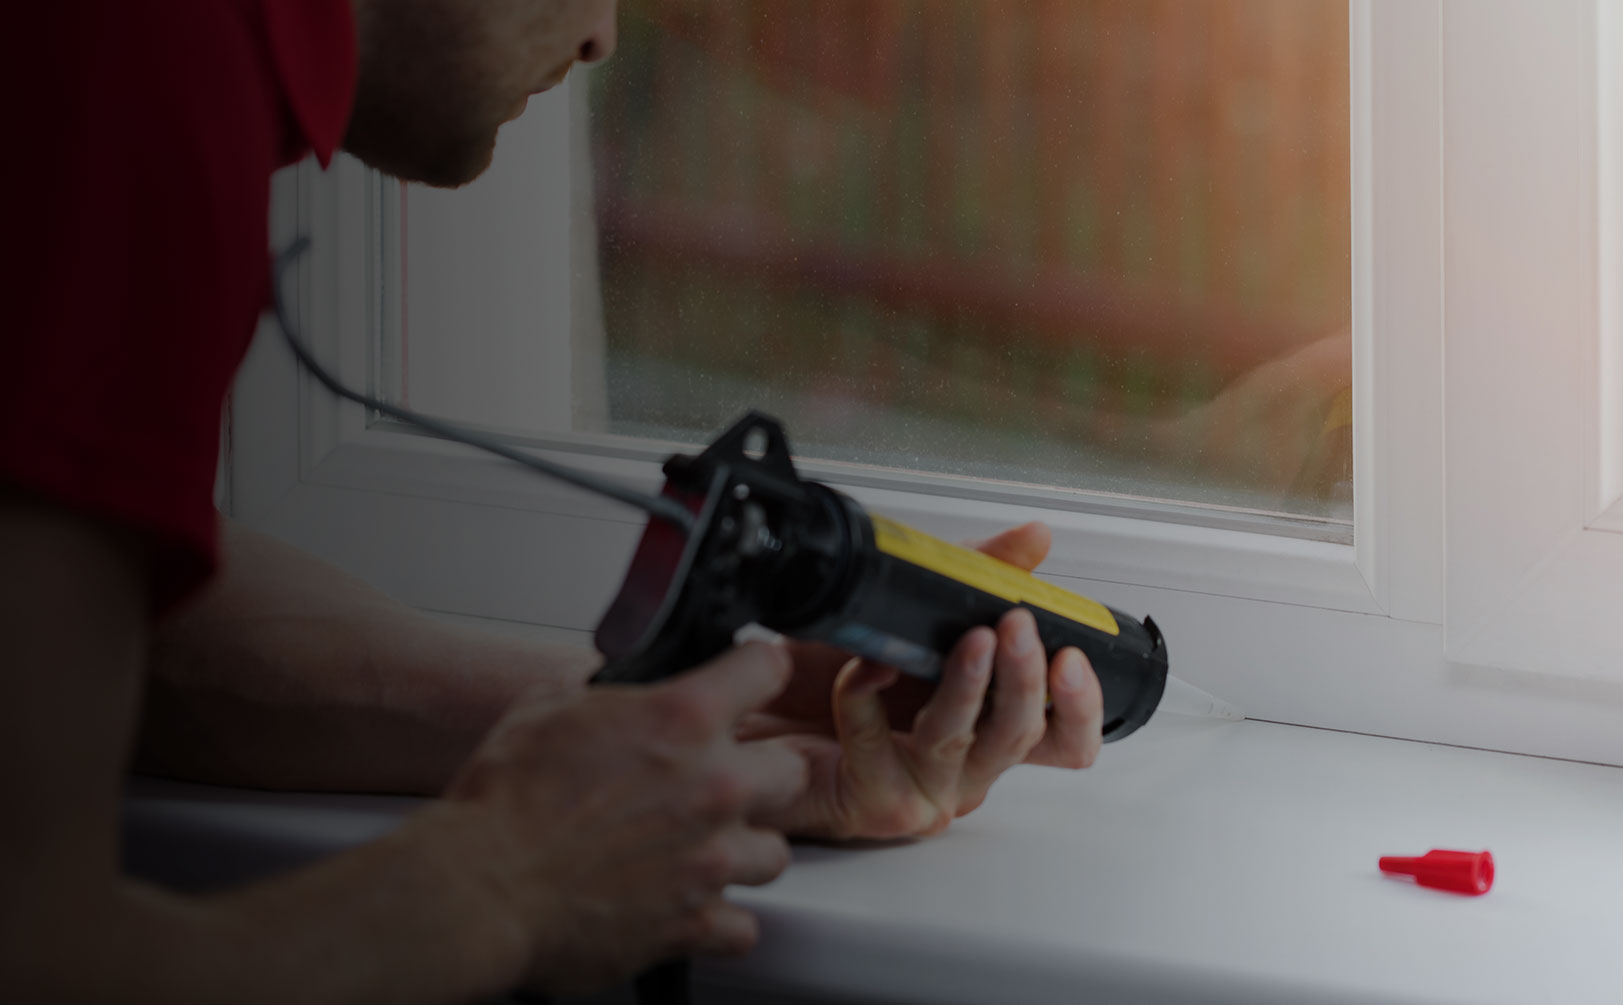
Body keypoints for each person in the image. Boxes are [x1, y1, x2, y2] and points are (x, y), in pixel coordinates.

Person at [0, 0, 1104, 999]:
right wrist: (502, 887)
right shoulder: (138, 64)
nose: (602, 36)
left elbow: (120, 640)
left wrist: (686, 732)